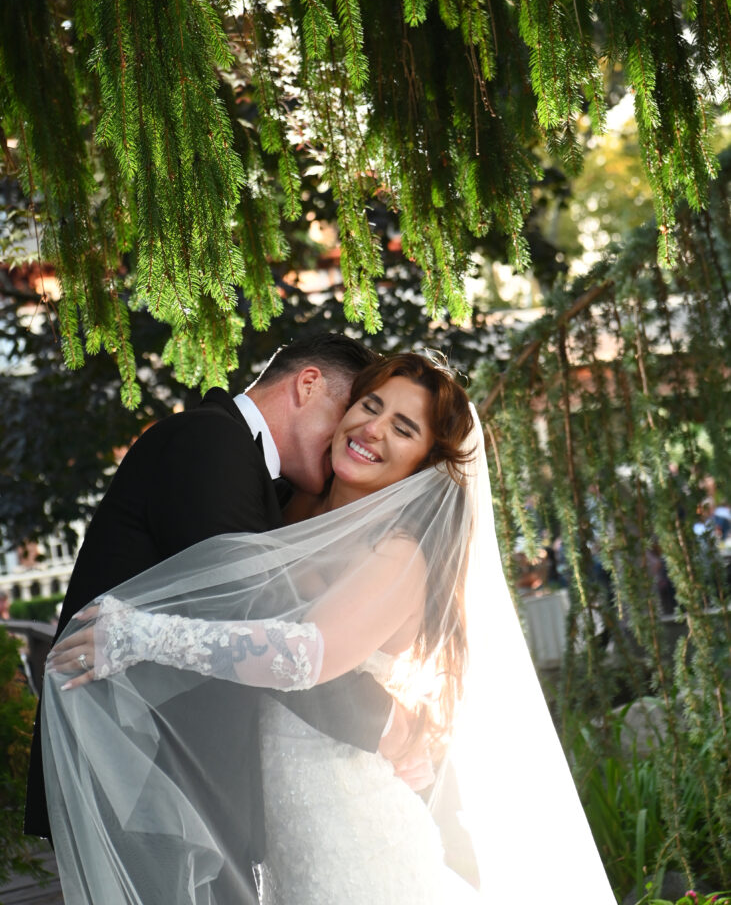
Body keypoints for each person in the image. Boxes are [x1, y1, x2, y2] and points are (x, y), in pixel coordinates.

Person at [44, 353, 617, 904]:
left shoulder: (397, 553)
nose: (373, 429)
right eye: (370, 405)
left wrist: (139, 636)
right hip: (281, 841)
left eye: (403, 428)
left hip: (358, 835)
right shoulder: (283, 509)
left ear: (422, 465)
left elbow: (301, 657)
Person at [26, 333, 414, 903]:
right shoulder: (211, 443)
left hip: (168, 785)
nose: (346, 443)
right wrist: (386, 722)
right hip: (141, 779)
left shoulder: (245, 467)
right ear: (308, 385)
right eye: (348, 416)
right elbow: (249, 620)